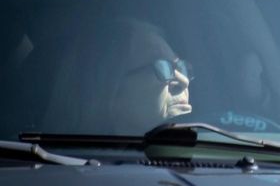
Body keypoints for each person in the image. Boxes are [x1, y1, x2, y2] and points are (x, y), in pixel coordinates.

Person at [43, 18, 192, 135]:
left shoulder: (203, 165)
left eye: (181, 68)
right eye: (162, 66)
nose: (183, 82)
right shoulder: (59, 172)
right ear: (106, 87)